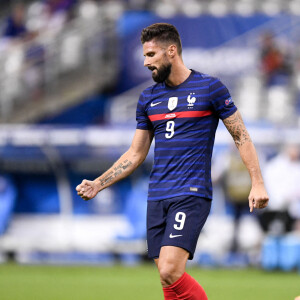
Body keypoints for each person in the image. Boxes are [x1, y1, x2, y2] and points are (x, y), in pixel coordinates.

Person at [76, 23, 269, 300]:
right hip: (157, 196)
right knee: (169, 282)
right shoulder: (148, 98)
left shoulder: (209, 88)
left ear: (171, 51)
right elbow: (135, 153)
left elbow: (241, 136)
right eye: (144, 56)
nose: (145, 62)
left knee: (169, 270)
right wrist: (98, 184)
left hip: (190, 193)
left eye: (151, 55)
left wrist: (257, 182)